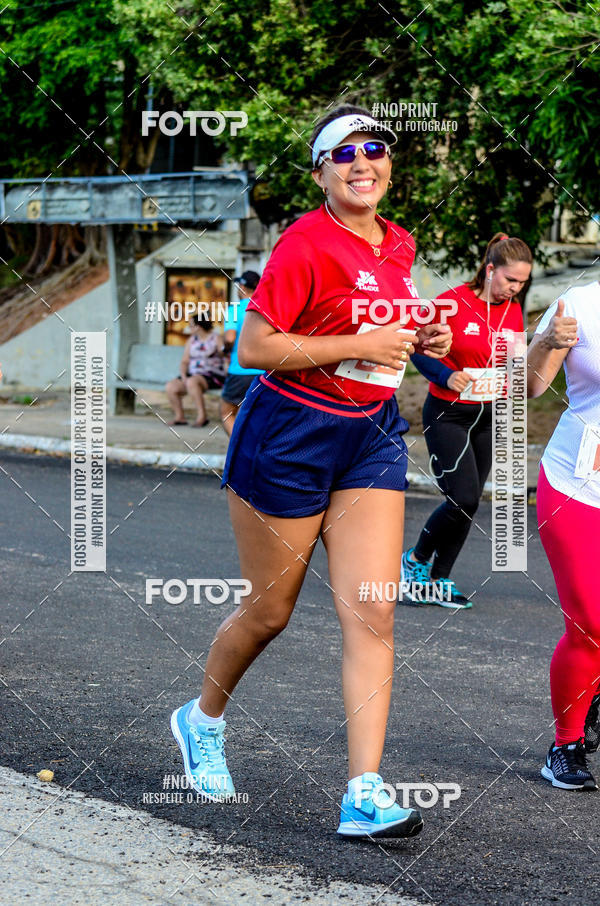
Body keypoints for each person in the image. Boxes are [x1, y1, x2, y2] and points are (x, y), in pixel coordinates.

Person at [169, 104, 452, 838]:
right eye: (345, 153)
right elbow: (257, 349)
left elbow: (386, 332)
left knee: (374, 608)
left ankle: (363, 793)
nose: (364, 163)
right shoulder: (304, 243)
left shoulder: (398, 244)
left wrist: (425, 335)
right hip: (289, 433)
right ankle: (201, 720)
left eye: (376, 150)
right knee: (271, 612)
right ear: (321, 171)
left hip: (372, 435)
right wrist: (356, 339)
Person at [402, 234, 531, 607]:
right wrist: (447, 376)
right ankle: (415, 560)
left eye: (521, 282)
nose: (515, 288)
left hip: (489, 416)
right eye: (510, 280)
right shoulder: (452, 302)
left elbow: (511, 358)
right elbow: (418, 349)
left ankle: (439, 580)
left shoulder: (513, 308)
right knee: (461, 497)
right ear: (490, 270)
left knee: (470, 503)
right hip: (448, 415)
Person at [528, 280, 600, 791]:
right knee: (591, 621)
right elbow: (529, 386)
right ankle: (565, 745)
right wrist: (548, 341)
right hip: (578, 485)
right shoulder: (578, 305)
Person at [220, 270, 262, 436]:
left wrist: (225, 350)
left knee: (227, 413)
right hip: (264, 372)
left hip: (240, 370)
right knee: (254, 415)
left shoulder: (235, 309)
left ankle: (238, 449)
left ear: (243, 287)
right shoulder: (263, 308)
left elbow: (230, 338)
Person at [165, 313, 226, 427]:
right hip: (192, 375)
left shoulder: (216, 338)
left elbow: (224, 354)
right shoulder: (191, 340)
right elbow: (185, 361)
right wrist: (183, 375)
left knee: (192, 382)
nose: (189, 328)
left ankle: (202, 417)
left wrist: (223, 349)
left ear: (199, 326)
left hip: (212, 375)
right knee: (171, 386)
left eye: (191, 325)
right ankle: (180, 417)